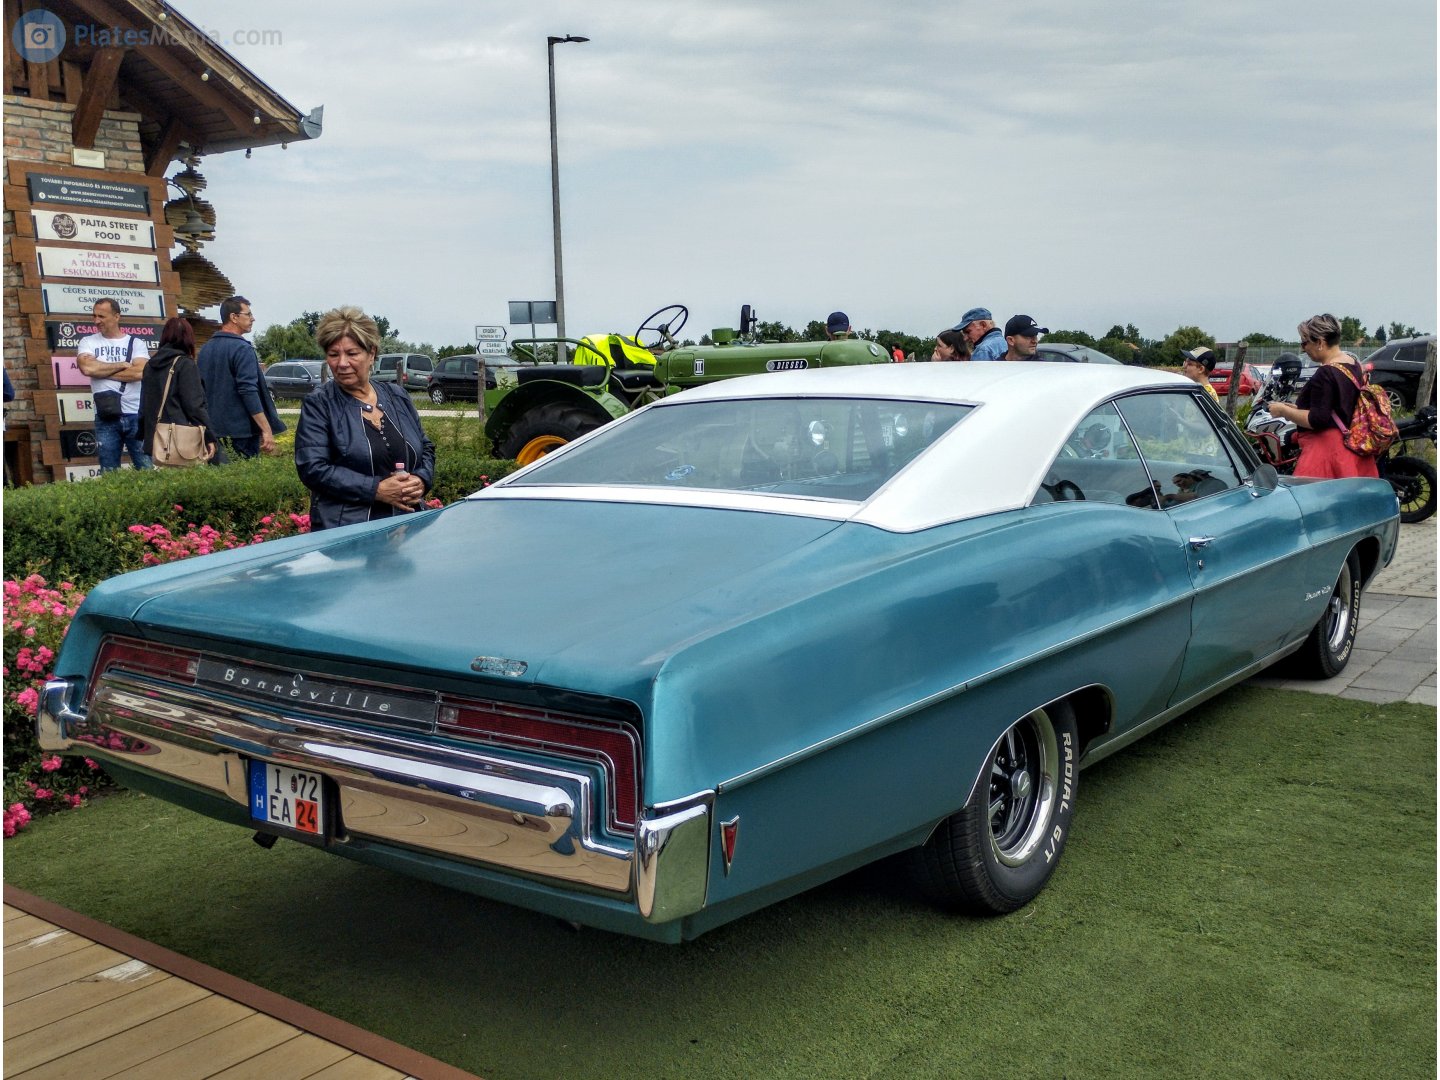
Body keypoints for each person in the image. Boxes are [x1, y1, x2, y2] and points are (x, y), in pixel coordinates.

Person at [295, 305, 436, 531]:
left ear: (371, 354)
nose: (341, 363)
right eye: (333, 354)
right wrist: (375, 489)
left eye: (352, 353)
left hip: (406, 527)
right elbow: (313, 468)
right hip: (348, 531)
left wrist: (421, 479)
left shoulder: (397, 396)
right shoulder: (319, 404)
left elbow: (425, 447)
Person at [1264, 314, 1379, 479]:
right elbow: (1338, 407)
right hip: (1352, 447)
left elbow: (1318, 419)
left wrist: (1283, 411)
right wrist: (1298, 409)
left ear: (1320, 342)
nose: (1303, 349)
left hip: (1327, 452)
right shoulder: (1353, 365)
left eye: (1305, 343)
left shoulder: (1326, 372)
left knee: (1311, 500)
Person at [196, 295, 285, 458]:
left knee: (221, 480)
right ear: (234, 317)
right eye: (248, 314)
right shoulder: (242, 349)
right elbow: (248, 390)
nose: (253, 319)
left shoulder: (205, 350)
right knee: (244, 479)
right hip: (240, 433)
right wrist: (266, 429)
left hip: (211, 431)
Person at [75, 298, 151, 471]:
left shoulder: (136, 343)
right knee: (109, 472)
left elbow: (140, 372)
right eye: (94, 316)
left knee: (146, 468)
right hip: (106, 415)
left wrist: (101, 371)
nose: (96, 321)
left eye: (101, 316)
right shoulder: (88, 342)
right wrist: (120, 365)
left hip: (135, 413)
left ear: (116, 316)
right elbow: (87, 368)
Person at [140, 317, 218, 464]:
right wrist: (208, 436)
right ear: (188, 338)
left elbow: (144, 405)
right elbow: (194, 406)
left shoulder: (149, 366)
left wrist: (145, 435)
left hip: (156, 438)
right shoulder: (185, 364)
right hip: (180, 439)